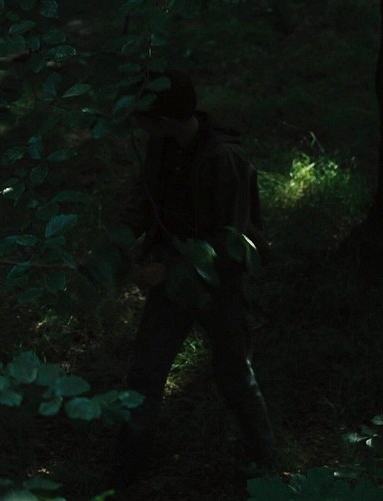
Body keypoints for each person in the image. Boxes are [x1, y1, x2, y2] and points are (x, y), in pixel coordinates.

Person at [114, 70, 274, 486]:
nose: (139, 125)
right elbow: (145, 200)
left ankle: (265, 465)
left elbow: (233, 243)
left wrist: (168, 269)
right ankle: (126, 473)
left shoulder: (224, 160)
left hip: (221, 286)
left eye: (145, 118)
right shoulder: (162, 145)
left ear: (165, 120)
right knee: (145, 374)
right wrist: (118, 242)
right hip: (172, 283)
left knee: (235, 376)